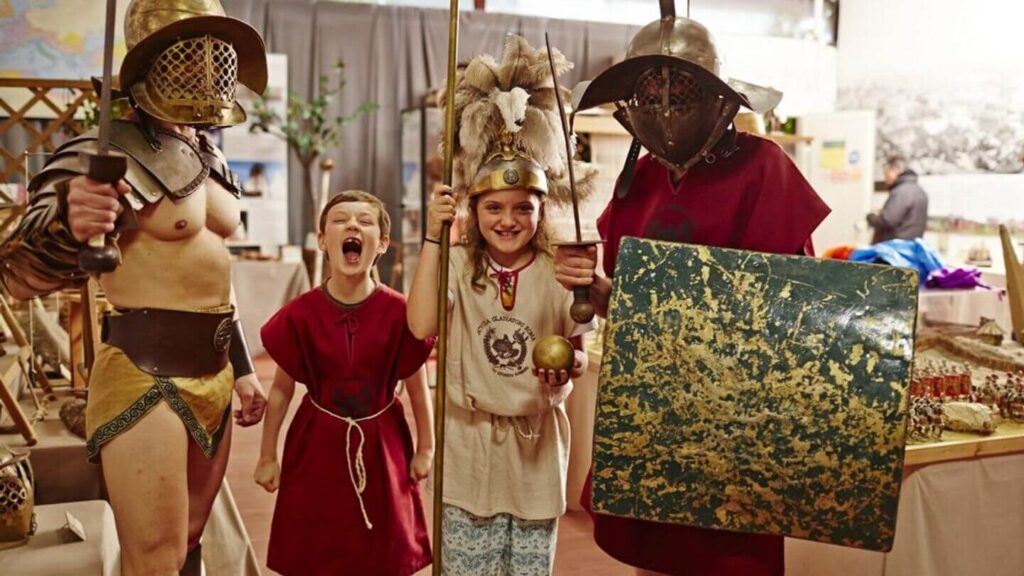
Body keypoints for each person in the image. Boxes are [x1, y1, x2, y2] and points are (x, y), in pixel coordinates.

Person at [554, 5, 830, 576]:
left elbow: (795, 309)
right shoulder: (640, 179)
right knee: (653, 556)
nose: (665, 108)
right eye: (651, 93)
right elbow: (631, 306)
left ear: (719, 98)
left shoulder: (762, 167)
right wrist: (596, 288)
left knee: (728, 560)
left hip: (736, 419)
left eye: (680, 91)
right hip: (652, 410)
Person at [0, 2, 268, 574]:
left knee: (188, 545)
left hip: (216, 370)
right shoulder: (103, 150)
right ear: (153, 59)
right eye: (189, 52)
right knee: (155, 557)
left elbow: (215, 278)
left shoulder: (208, 154)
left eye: (213, 52)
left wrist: (243, 367)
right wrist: (69, 219)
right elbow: (19, 272)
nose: (205, 67)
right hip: (145, 372)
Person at [407, 35, 597, 576]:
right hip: (468, 448)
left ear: (541, 210)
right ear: (474, 209)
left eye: (522, 208)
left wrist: (571, 364)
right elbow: (420, 325)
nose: (508, 220)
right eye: (493, 207)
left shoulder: (560, 269)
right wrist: (434, 236)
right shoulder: (457, 264)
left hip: (536, 451)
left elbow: (579, 351)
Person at [254, 190, 435, 575]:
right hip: (316, 442)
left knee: (383, 541)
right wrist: (267, 455)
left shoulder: (402, 312)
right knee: (317, 541)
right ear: (323, 241)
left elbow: (418, 386)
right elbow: (282, 391)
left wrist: (426, 447)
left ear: (381, 244)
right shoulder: (300, 314)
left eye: (365, 221)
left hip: (384, 442)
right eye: (340, 220)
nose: (352, 225)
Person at [867, 155, 928, 243]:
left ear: (894, 171)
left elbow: (886, 221)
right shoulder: (920, 191)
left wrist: (870, 217)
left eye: (886, 174)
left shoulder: (901, 192)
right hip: (910, 247)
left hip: (894, 248)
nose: (885, 179)